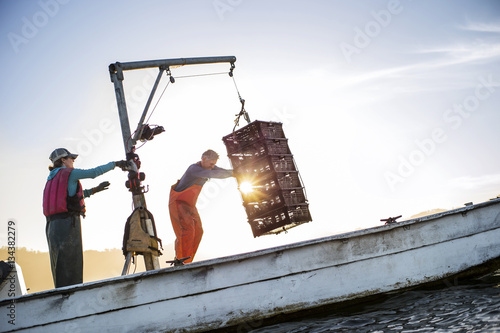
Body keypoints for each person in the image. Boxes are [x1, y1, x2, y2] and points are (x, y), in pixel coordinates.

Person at [42, 148, 129, 288]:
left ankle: (61, 296)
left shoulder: (51, 178)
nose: (73, 161)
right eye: (71, 158)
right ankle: (73, 296)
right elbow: (94, 173)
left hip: (51, 227)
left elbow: (70, 198)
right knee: (72, 264)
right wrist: (116, 164)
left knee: (59, 266)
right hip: (67, 224)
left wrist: (95, 190)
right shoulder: (70, 173)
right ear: (63, 160)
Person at [169, 149, 234, 264]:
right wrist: (234, 173)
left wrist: (237, 171)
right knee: (187, 231)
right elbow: (213, 174)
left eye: (214, 164)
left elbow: (220, 171)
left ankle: (187, 261)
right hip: (178, 203)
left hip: (190, 205)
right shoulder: (194, 169)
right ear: (203, 159)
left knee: (199, 231)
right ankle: (180, 261)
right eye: (211, 164)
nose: (212, 167)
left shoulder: (208, 167)